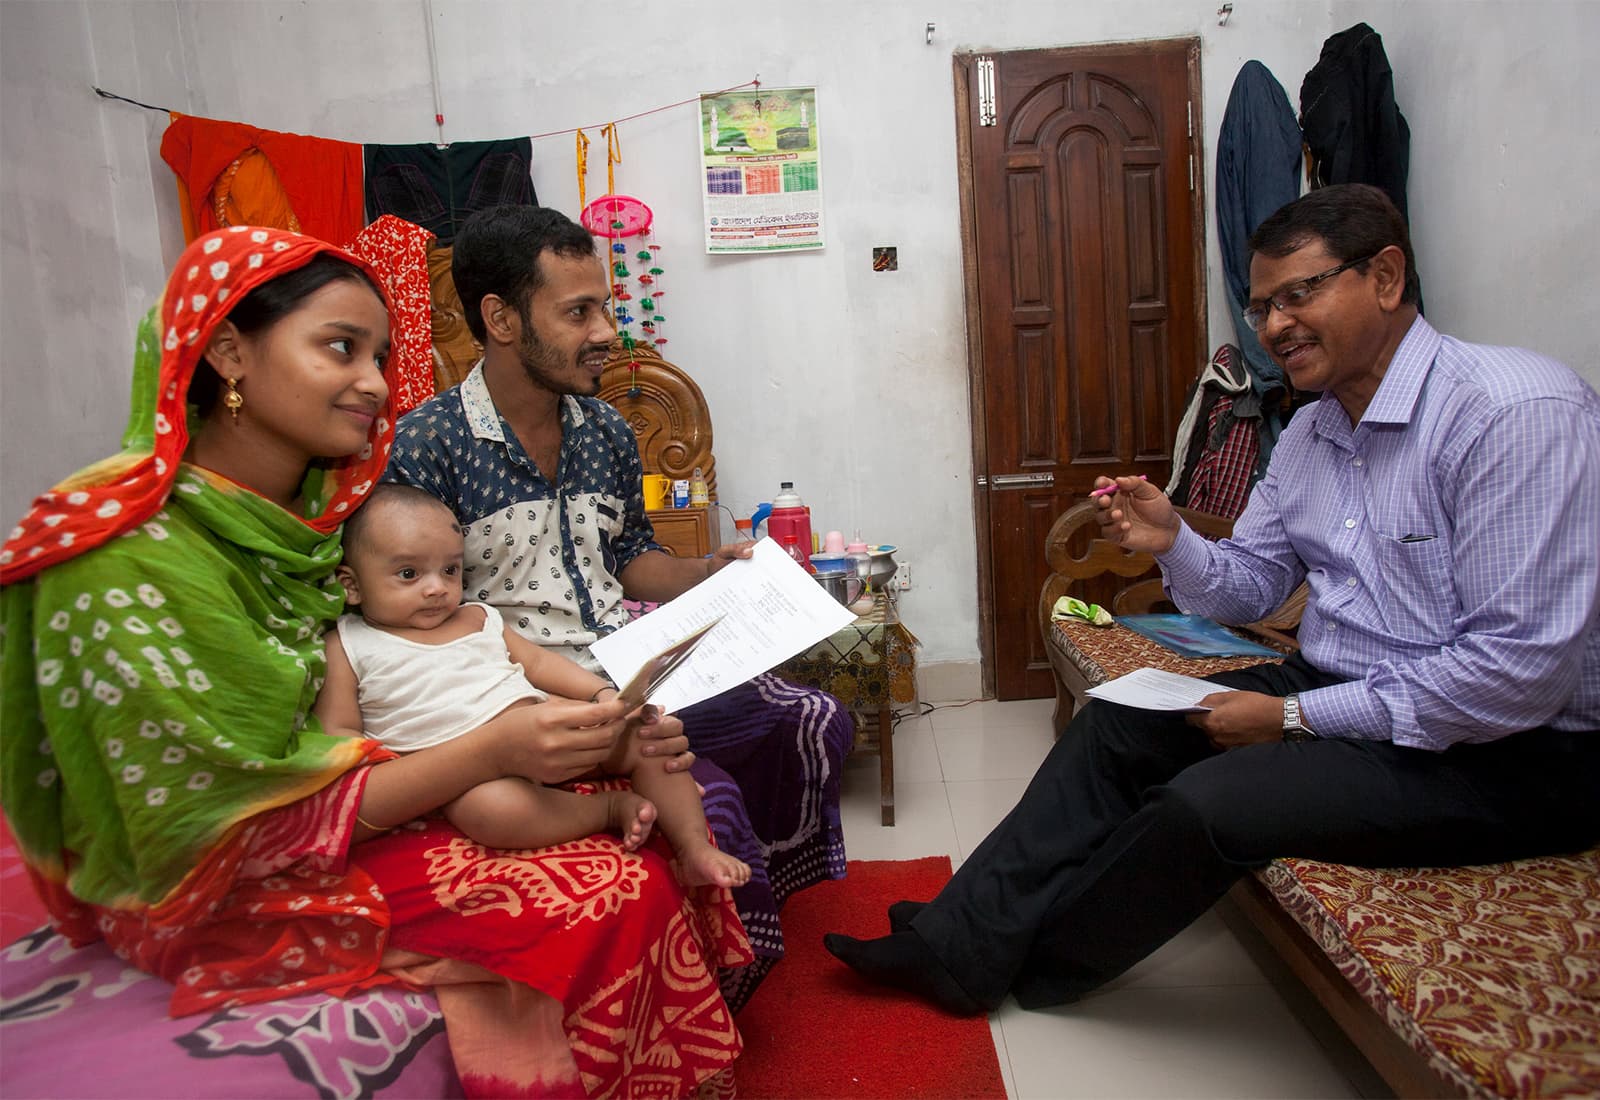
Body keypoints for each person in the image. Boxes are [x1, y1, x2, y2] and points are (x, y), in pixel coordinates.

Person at [0, 227, 751, 1097]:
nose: (376, 381)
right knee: (610, 893)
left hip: (407, 768)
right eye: (339, 348)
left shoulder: (320, 512)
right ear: (231, 352)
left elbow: (490, 632)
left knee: (665, 792)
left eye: (381, 352)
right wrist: (493, 751)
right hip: (234, 872)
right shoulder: (126, 561)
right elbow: (231, 826)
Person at [824, 183, 1600, 1015]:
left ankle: (1024, 960)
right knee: (1118, 721)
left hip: (1508, 754)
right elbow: (1253, 586)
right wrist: (1173, 542)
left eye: (1299, 293)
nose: (1273, 327)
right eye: (1262, 305)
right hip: (1345, 690)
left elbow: (1514, 676)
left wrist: (1292, 720)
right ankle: (958, 939)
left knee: (1208, 805)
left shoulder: (1514, 414)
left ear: (1384, 276)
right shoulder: (1311, 432)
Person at [384, 204, 854, 1008]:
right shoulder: (429, 444)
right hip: (527, 699)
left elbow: (631, 559)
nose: (608, 332)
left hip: (630, 665)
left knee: (811, 720)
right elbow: (409, 609)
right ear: (500, 319)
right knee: (716, 805)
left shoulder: (605, 428)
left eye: (604, 306)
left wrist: (716, 569)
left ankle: (753, 902)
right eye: (579, 312)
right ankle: (723, 971)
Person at [315, 481, 751, 887]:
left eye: (449, 570)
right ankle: (607, 810)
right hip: (465, 776)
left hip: (552, 734)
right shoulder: (349, 645)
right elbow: (339, 737)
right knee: (491, 812)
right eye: (409, 574)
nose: (436, 589)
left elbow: (540, 663)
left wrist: (602, 695)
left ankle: (693, 848)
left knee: (649, 740)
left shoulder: (477, 618)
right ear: (351, 585)